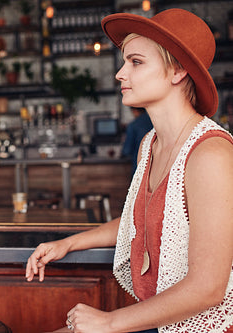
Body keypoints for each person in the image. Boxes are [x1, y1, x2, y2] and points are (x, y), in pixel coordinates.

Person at [25, 8, 233, 333]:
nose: (120, 74)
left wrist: (109, 322)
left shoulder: (211, 154)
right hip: (155, 318)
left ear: (177, 70)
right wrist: (68, 243)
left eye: (135, 62)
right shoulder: (150, 143)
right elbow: (141, 219)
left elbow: (208, 288)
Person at [122, 107, 153, 174]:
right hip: (156, 166)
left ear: (134, 110)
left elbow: (127, 150)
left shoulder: (133, 125)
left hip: (140, 166)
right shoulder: (154, 122)